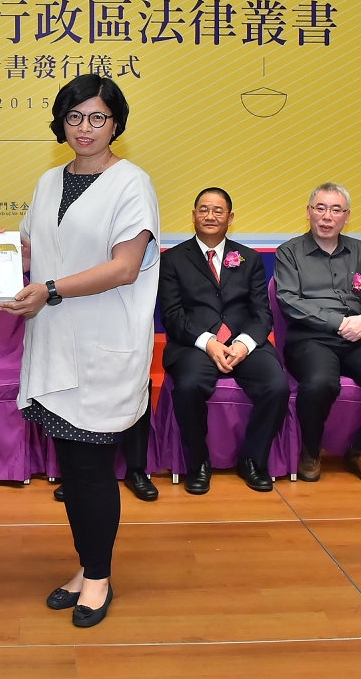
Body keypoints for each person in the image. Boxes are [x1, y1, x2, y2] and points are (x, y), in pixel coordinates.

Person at [3, 74, 160, 629]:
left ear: (116, 122)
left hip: (102, 344)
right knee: (73, 467)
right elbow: (32, 246)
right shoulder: (50, 180)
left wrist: (49, 289)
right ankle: (86, 567)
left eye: (97, 117)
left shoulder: (132, 183)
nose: (85, 128)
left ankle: (98, 577)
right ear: (60, 122)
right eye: (75, 118)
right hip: (52, 343)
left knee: (91, 469)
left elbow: (123, 267)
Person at [273, 182, 361, 487]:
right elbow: (289, 301)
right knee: (320, 382)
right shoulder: (289, 252)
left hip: (357, 337)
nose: (326, 216)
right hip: (310, 339)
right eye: (320, 208)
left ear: (346, 216)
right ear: (308, 213)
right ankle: (311, 450)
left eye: (335, 210)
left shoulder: (359, 251)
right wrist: (338, 322)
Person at [159, 187, 289, 494]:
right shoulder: (173, 260)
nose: (210, 216)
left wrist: (243, 344)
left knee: (277, 386)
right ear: (193, 216)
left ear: (230, 217)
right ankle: (198, 462)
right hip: (195, 343)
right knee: (188, 386)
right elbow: (173, 314)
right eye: (203, 209)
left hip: (243, 342)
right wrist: (208, 342)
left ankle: (253, 460)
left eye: (218, 211)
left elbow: (262, 313)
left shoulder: (250, 258)